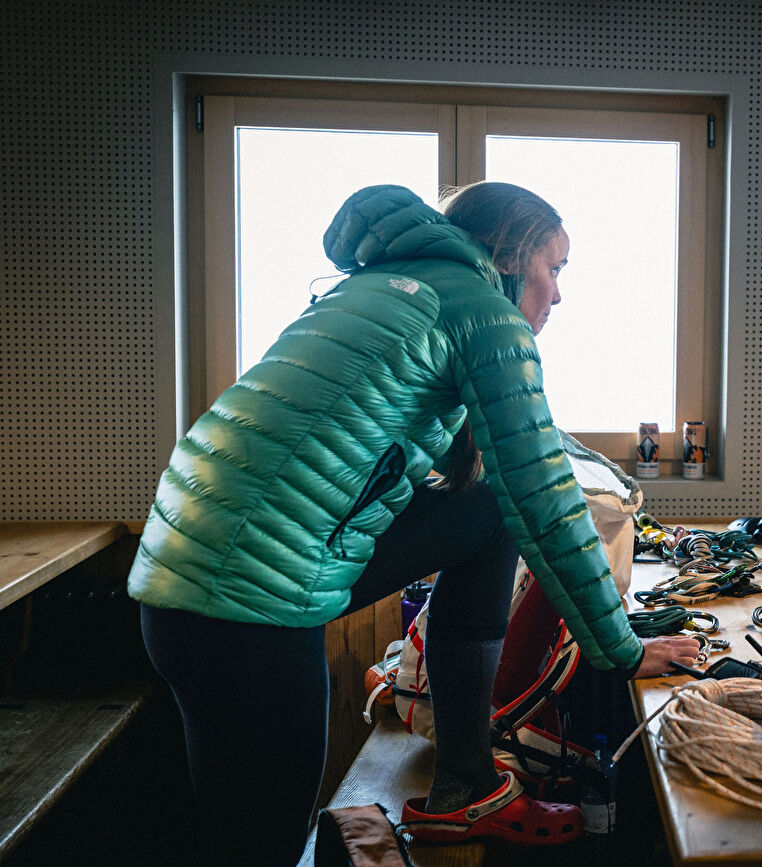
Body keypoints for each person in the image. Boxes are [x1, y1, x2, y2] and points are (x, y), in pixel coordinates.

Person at [128, 181, 699, 865]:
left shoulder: (379, 289)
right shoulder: (484, 314)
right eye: (555, 267)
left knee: (485, 511)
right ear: (512, 257)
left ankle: (466, 783)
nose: (558, 293)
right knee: (267, 846)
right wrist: (623, 652)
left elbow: (447, 482)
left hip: (181, 576)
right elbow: (545, 502)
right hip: (248, 604)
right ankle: (464, 780)